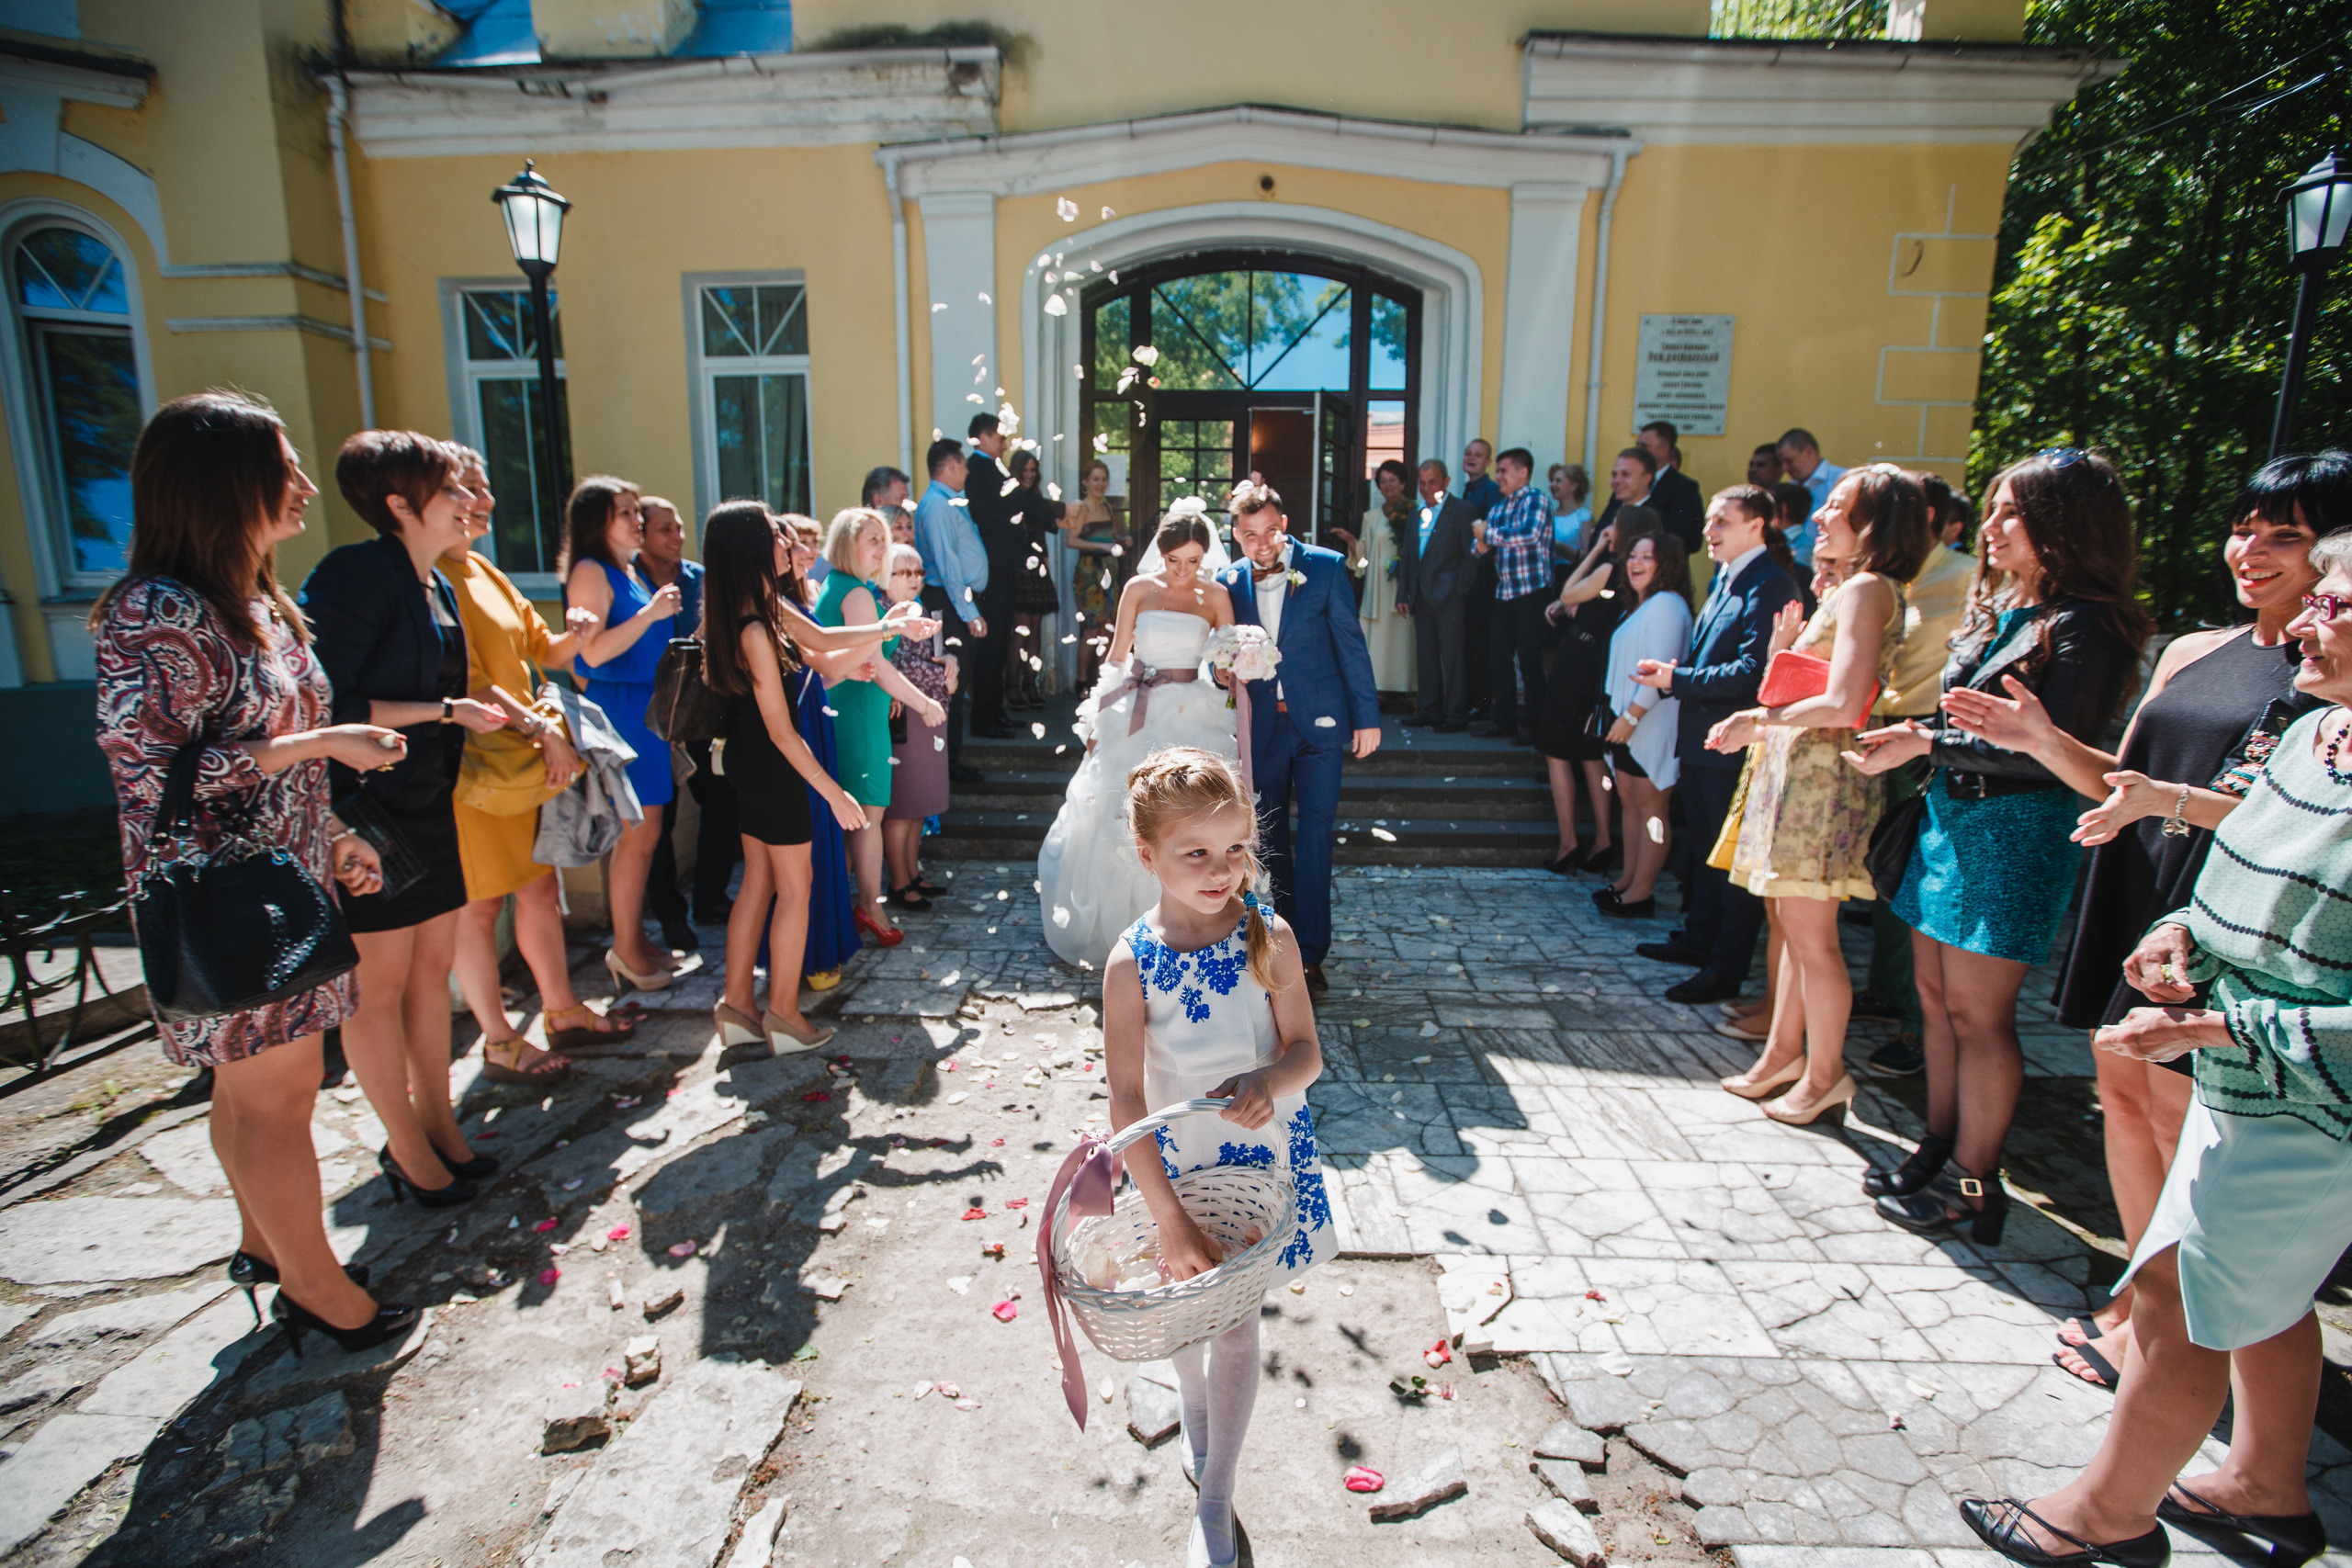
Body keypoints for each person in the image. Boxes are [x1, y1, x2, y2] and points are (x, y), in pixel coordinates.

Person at [1951, 550, 2352, 1568]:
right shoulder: (2315, 734)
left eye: (2334, 605)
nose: (2304, 621)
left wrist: (2222, 1029)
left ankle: (2104, 1516)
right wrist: (2179, 937)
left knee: (2178, 1295)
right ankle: (2267, 1481)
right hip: (2244, 1080)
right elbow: (2244, 866)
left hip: (2311, 1100)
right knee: (2267, 1297)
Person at [93, 390, 413, 1352]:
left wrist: (331, 833)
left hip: (284, 876)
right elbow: (150, 775)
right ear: (226, 482)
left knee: (246, 1094)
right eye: (284, 463)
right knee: (275, 1099)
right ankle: (318, 1290)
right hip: (222, 899)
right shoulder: (156, 613)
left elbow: (279, 755)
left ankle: (265, 1247)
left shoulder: (255, 604)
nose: (307, 484)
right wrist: (315, 746)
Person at [1845, 448, 2150, 1245]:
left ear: (2063, 522)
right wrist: (1919, 738)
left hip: (2014, 834)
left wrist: (1920, 742)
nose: (1991, 526)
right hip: (1948, 822)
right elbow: (1964, 723)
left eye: (2011, 512)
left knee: (1980, 1017)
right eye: (1992, 509)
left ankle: (1977, 1186)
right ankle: (1938, 1147)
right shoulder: (2004, 607)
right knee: (1937, 1006)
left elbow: (2042, 750)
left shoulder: (2091, 625)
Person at [1099, 747, 1330, 1568]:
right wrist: (1164, 1217)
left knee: (1234, 1317)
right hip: (1177, 1168)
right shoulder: (1131, 961)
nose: (1221, 869)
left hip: (1260, 1168)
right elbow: (1125, 1097)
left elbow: (1307, 1052)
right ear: (1148, 855)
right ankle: (1199, 1433)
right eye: (1195, 852)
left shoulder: (1270, 933)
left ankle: (1214, 1499)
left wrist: (1272, 1075)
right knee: (1181, 1311)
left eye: (1235, 849)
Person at [301, 430, 512, 1207]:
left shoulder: (439, 585)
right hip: (368, 813)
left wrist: (468, 712)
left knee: (432, 973)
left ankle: (442, 1126)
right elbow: (329, 705)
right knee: (379, 989)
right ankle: (405, 1146)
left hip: (427, 799)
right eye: (452, 489)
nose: (468, 502)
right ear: (399, 503)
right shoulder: (353, 575)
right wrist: (448, 710)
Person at [1707, 468, 1932, 1125]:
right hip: (1798, 773)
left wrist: (1759, 720)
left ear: (1872, 525)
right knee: (1788, 926)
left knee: (1814, 940)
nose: (1820, 514)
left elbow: (1844, 699)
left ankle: (1826, 1074)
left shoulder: (1867, 588)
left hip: (1822, 783)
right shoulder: (1849, 588)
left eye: (1838, 506)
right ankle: (1781, 1054)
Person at [438, 446, 634, 1083]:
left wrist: (574, 629)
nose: (485, 501)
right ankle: (496, 1038)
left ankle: (561, 1009)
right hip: (476, 769)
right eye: (469, 488)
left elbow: (541, 651)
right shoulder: (435, 581)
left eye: (486, 485)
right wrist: (543, 729)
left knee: (540, 888)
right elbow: (463, 681)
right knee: (479, 906)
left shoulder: (486, 574)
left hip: (521, 763)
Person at [1036, 502, 1238, 967]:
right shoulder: (1138, 589)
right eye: (1174, 561)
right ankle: (1129, 932)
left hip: (1194, 707)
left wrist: (1237, 667)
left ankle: (1194, 925)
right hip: (1139, 707)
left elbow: (1226, 661)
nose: (1183, 571)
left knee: (1192, 813)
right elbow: (1115, 657)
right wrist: (1098, 718)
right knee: (1122, 809)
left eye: (1193, 561)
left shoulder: (1216, 596)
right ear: (1160, 555)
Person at [702, 503, 870, 1055]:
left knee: (757, 881)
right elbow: (780, 729)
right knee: (795, 890)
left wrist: (892, 625)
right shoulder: (754, 625)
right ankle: (783, 1013)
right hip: (774, 767)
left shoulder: (750, 608)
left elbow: (823, 645)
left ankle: (736, 1006)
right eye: (776, 536)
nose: (787, 545)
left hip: (752, 766)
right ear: (752, 549)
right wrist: (833, 790)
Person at [1630, 484, 1802, 1004]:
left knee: (1730, 862)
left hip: (1733, 747)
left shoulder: (1769, 584)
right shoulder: (1727, 578)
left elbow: (1754, 674)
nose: (1710, 530)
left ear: (1758, 526)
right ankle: (1699, 941)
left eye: (1723, 521)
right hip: (1704, 743)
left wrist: (1675, 679)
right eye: (1710, 521)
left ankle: (1725, 967)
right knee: (1706, 852)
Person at [1218, 481, 1383, 994]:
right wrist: (1221, 673)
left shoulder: (1328, 567)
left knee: (1314, 838)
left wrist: (1368, 718)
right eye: (1250, 535)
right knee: (1267, 843)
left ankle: (1310, 955)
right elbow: (1220, 655)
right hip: (1263, 729)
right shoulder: (1228, 581)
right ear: (1237, 535)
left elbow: (1351, 647)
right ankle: (1273, 945)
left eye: (1269, 531)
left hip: (1322, 727)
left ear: (1283, 524)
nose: (1262, 543)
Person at [1848, 471, 1981, 1077]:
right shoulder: (1886, 579)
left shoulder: (1968, 576)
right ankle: (1887, 988)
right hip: (1883, 730)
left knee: (1921, 879)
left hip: (1930, 735)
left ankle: (1919, 1030)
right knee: (1890, 872)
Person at [561, 476, 685, 992]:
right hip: (624, 712)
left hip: (647, 708)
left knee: (649, 832)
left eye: (637, 511)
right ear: (597, 522)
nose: (636, 520)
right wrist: (653, 612)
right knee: (638, 833)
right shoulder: (591, 571)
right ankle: (626, 950)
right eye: (625, 513)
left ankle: (636, 940)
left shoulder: (625, 571)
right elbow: (589, 655)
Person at [817, 507, 949, 952]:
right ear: (845, 544)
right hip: (858, 714)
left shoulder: (851, 590)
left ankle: (846, 906)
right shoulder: (853, 592)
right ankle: (869, 908)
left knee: (858, 818)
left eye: (882, 539)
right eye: (872, 539)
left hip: (857, 710)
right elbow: (874, 668)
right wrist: (923, 702)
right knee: (866, 817)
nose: (881, 546)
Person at [634, 493, 724, 950]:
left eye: (680, 527)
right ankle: (670, 915)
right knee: (658, 822)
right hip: (649, 719)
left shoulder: (700, 579)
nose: (677, 536)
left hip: (700, 714)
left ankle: (710, 898)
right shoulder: (627, 583)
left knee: (722, 802)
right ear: (641, 534)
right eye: (665, 528)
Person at [1532, 511, 1645, 874]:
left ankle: (1569, 844)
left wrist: (1596, 549)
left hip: (1578, 661)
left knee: (1558, 752)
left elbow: (1569, 590)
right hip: (1600, 664)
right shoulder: (1637, 574)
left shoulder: (1611, 567)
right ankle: (1602, 840)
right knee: (1591, 753)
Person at [1593, 530, 1695, 913]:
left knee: (1652, 806)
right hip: (1627, 721)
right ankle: (1627, 880)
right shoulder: (1641, 605)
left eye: (1646, 557)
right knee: (1631, 802)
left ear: (1666, 564)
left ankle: (1643, 892)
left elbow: (1662, 667)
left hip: (1649, 720)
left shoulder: (1668, 604)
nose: (1635, 563)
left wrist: (1632, 717)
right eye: (1632, 556)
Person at [882, 541, 954, 910]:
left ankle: (912, 873)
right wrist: (938, 677)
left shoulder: (924, 610)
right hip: (905, 716)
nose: (913, 579)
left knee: (919, 804)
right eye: (904, 572)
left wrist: (951, 663)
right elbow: (897, 668)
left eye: (918, 572)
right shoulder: (883, 613)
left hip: (932, 714)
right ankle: (898, 882)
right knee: (902, 805)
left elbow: (937, 656)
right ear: (886, 575)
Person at [915, 436, 992, 780]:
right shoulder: (937, 505)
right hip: (947, 603)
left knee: (958, 682)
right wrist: (969, 613)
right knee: (952, 683)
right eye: (962, 465)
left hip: (957, 600)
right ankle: (948, 765)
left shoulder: (949, 501)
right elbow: (947, 565)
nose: (966, 472)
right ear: (950, 466)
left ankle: (952, 761)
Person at [1470, 447, 1554, 743]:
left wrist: (1487, 538)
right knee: (1499, 659)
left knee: (1529, 661)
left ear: (1523, 473)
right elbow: (1477, 548)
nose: (1498, 476)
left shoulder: (1537, 500)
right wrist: (1481, 544)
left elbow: (1528, 534)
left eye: (1504, 470)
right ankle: (1503, 720)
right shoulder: (1498, 508)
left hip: (1532, 593)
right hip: (1504, 593)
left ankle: (1533, 726)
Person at [1403, 459, 1477, 732]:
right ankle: (1429, 711)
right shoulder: (1414, 514)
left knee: (1453, 657)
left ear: (1446, 482)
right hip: (1421, 596)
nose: (1425, 488)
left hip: (1450, 596)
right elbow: (1409, 557)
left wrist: (1459, 589)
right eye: (1421, 483)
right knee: (1426, 657)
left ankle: (1456, 716)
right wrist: (1405, 593)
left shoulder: (1462, 510)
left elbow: (1471, 557)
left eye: (1432, 482)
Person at [962, 413, 1019, 738]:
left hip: (1000, 567)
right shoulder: (980, 469)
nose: (1006, 444)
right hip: (990, 570)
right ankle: (985, 719)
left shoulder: (992, 468)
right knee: (991, 646)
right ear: (983, 438)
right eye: (1000, 438)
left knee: (1000, 643)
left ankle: (995, 712)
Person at [1003, 447, 1063, 711]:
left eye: (1032, 470)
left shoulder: (1037, 498)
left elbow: (1042, 540)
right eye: (1024, 470)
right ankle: (1012, 686)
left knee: (1036, 627)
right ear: (1015, 472)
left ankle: (1031, 682)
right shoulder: (1008, 498)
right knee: (1021, 629)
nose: (1029, 475)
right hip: (1017, 569)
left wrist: (1048, 573)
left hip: (1038, 569)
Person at [1060, 458, 1125, 694]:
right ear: (1086, 482)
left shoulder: (1107, 507)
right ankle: (1081, 681)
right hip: (1089, 575)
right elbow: (1071, 540)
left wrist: (1120, 542)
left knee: (1107, 628)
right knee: (1090, 629)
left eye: (1104, 479)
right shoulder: (1082, 508)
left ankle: (1101, 682)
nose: (1100, 484)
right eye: (1096, 479)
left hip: (1109, 572)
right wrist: (1103, 548)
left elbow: (1112, 537)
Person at [1358, 458, 1418, 692]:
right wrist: (1351, 542)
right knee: (1378, 637)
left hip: (1402, 583)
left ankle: (1406, 688)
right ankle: (1378, 688)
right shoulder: (1371, 516)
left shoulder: (1414, 511)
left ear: (1403, 483)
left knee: (1403, 635)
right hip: (1378, 585)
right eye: (1382, 481)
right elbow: (1363, 551)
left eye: (1392, 480)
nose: (1387, 485)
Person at [1461, 438, 1501, 716]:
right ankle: (1474, 700)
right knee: (1471, 640)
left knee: (1481, 641)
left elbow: (1491, 536)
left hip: (1484, 575)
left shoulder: (1491, 490)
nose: (1472, 458)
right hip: (1469, 575)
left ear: (1488, 462)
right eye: (1468, 454)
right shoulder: (1468, 491)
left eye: (1478, 455)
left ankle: (1483, 704)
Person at [1776, 427, 1848, 567]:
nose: (1785, 468)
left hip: (1833, 566)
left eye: (1789, 461)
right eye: (1782, 463)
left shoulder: (1841, 480)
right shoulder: (1791, 488)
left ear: (1809, 451)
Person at [1636, 421, 1705, 553]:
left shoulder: (1684, 488)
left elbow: (1691, 541)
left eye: (1644, 446)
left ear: (1664, 451)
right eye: (1637, 445)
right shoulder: (1628, 482)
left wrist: (1643, 500)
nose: (1637, 451)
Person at [1548, 463, 1593, 570]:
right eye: (1552, 481)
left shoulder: (1584, 517)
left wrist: (1559, 546)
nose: (1553, 485)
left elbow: (1588, 557)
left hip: (1570, 574)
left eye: (1558, 481)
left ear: (1574, 486)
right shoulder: (1548, 516)